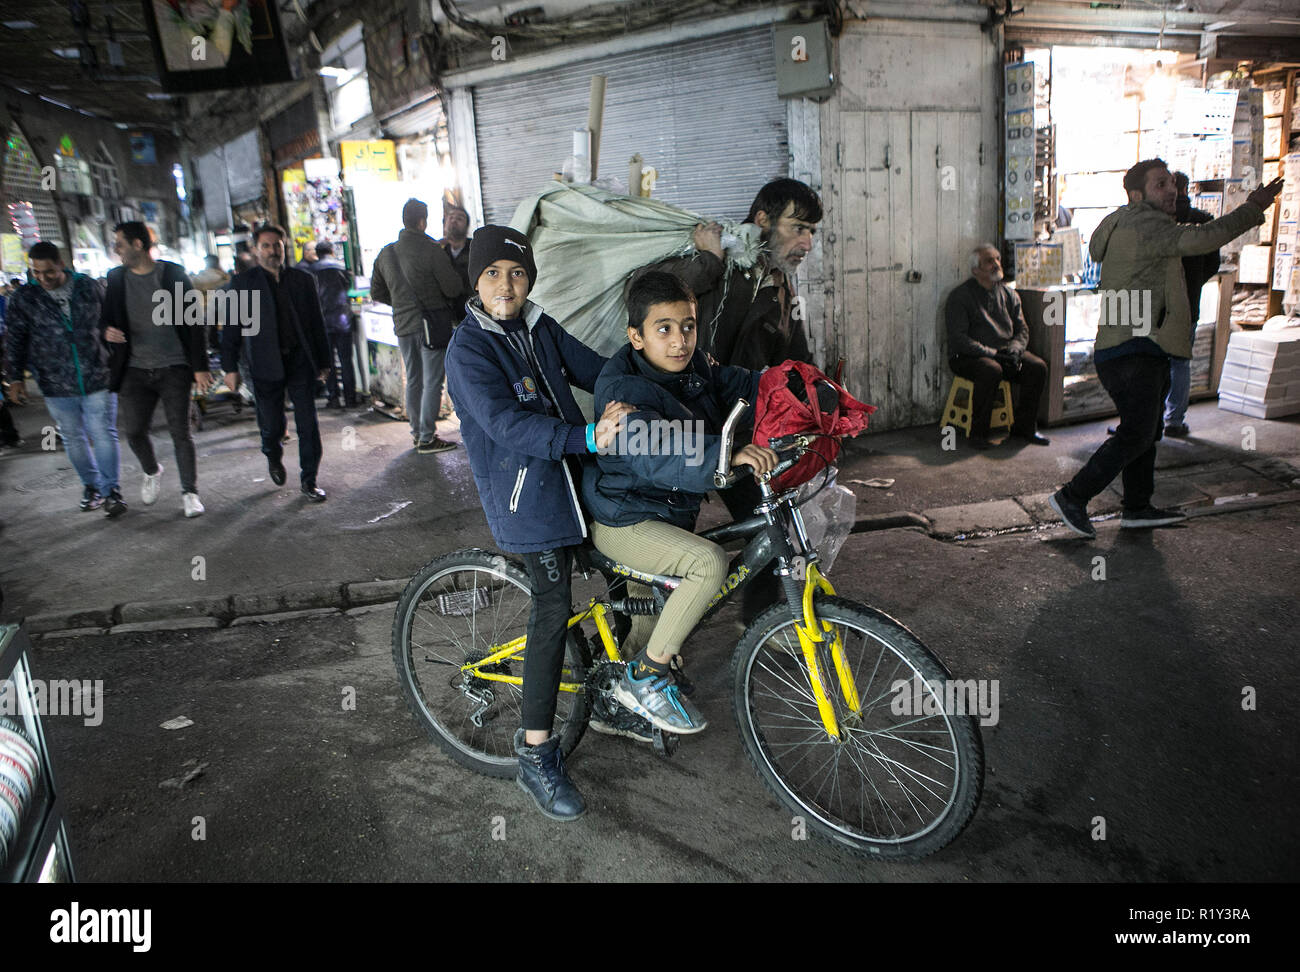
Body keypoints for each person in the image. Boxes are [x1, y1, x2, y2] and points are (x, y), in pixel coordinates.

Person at [445, 225, 635, 821]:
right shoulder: (468, 349)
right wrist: (585, 434)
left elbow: (596, 370)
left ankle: (612, 694)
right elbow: (506, 426)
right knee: (553, 608)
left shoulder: (537, 326)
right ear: (476, 281)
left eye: (518, 273)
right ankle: (535, 753)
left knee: (624, 577)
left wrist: (650, 377)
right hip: (524, 495)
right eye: (494, 273)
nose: (508, 284)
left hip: (570, 479)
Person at [582, 271, 778, 735]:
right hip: (625, 520)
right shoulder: (623, 391)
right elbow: (658, 451)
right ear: (636, 336)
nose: (679, 341)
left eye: (688, 326)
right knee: (707, 564)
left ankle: (615, 706)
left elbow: (745, 385)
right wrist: (726, 454)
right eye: (663, 329)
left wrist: (800, 388)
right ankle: (648, 679)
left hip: (665, 517)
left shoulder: (696, 370)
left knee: (651, 623)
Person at [1049, 160, 1284, 539]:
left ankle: (1137, 508)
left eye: (1172, 183)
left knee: (1145, 431)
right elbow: (1205, 238)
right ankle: (1073, 497)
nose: (1172, 190)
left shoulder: (1122, 221)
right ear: (1137, 195)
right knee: (1138, 434)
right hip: (1135, 348)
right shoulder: (1148, 224)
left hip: (1131, 346)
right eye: (1161, 185)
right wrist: (1253, 207)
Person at [102, 221, 211, 518]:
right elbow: (106, 320)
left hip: (173, 366)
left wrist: (199, 368)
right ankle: (152, 470)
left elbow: (193, 323)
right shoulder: (115, 279)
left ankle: (190, 493)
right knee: (135, 432)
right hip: (134, 370)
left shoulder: (172, 274)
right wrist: (106, 332)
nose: (116, 250)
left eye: (120, 244)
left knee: (181, 432)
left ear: (138, 244)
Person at [654, 177, 820, 370]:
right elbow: (642, 290)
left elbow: (799, 362)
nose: (808, 245)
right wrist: (709, 261)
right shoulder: (713, 255)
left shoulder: (782, 288)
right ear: (763, 220)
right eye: (798, 228)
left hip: (740, 399)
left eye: (811, 232)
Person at [3, 242, 121, 513]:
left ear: (61, 265)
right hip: (54, 381)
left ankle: (111, 490)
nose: (42, 278)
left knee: (103, 432)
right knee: (72, 437)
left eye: (49, 272)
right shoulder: (25, 297)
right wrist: (16, 377)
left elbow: (111, 322)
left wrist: (111, 347)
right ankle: (91, 486)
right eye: (36, 272)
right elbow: (16, 339)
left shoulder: (89, 287)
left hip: (98, 374)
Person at [220, 223, 331, 502]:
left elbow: (317, 324)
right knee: (270, 424)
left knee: (308, 424)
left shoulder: (302, 280)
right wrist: (230, 368)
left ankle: (309, 480)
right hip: (264, 364)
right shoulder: (243, 284)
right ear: (257, 251)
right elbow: (232, 328)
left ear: (285, 248)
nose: (273, 251)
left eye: (277, 245)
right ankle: (272, 454)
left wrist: (324, 361)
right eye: (266, 246)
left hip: (299, 362)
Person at [370, 198, 464, 454]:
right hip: (430, 324)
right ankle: (426, 437)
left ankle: (417, 433)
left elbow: (376, 291)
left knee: (413, 379)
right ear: (423, 221)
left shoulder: (386, 252)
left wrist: (400, 303)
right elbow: (453, 287)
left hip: (402, 324)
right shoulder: (431, 250)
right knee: (433, 381)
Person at [944, 244, 1050, 449]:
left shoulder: (1009, 295)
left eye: (997, 259)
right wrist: (992, 354)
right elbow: (959, 339)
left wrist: (1015, 350)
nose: (996, 265)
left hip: (1004, 353)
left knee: (1037, 367)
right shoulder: (961, 296)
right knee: (991, 369)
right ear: (976, 270)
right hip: (967, 357)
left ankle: (1024, 428)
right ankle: (978, 435)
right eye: (989, 261)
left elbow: (1022, 330)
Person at [1163, 172, 1220, 438]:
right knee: (1180, 362)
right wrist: (1194, 282)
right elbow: (1212, 264)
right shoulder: (1202, 222)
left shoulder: (1159, 221)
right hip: (1188, 304)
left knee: (1151, 361)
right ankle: (1174, 421)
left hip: (1157, 305)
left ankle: (1146, 419)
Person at [310, 241, 357, 408]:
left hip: (323, 323)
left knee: (328, 363)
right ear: (331, 251)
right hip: (343, 320)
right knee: (346, 361)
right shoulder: (341, 268)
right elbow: (349, 289)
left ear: (317, 253)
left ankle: (333, 397)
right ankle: (351, 398)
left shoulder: (312, 271)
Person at [441, 202, 474, 320]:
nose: (454, 221)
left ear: (466, 226)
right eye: (450, 218)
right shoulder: (438, 252)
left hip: (473, 314)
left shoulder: (476, 248)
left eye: (459, 218)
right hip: (447, 318)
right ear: (445, 224)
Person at [192, 254, 230, 354]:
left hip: (203, 315)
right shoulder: (226, 278)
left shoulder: (196, 279)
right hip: (222, 317)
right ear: (217, 263)